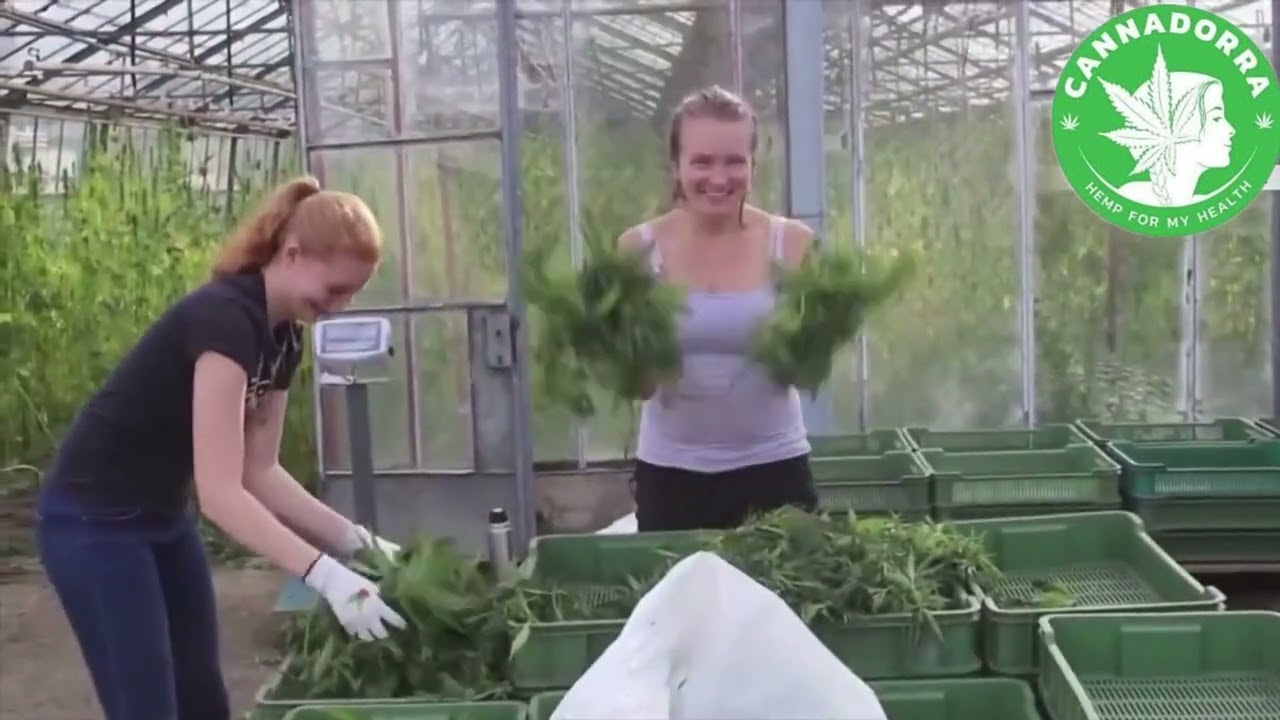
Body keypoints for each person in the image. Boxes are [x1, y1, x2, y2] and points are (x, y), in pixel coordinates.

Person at [35, 176, 407, 720]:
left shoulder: (284, 338)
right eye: (334, 289)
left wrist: (359, 542)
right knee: (148, 707)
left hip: (162, 519)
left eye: (351, 293)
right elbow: (220, 493)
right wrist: (326, 576)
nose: (339, 305)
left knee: (203, 699)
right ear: (292, 253)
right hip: (93, 525)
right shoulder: (225, 319)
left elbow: (260, 470)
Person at [619, 85, 820, 532]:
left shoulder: (791, 243)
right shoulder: (638, 249)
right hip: (672, 474)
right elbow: (639, 386)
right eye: (702, 161)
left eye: (734, 161)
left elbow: (804, 375)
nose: (718, 177)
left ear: (753, 165)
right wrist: (617, 346)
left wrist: (815, 339)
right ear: (675, 166)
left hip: (774, 467)